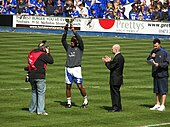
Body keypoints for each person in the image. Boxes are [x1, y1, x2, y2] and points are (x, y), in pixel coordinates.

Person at [61, 24, 88, 108]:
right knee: (68, 86)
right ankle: (69, 102)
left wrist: (74, 31)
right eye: (71, 41)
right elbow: (63, 41)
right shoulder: (68, 48)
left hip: (76, 69)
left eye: (73, 42)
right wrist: (65, 31)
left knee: (79, 86)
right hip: (68, 68)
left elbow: (80, 40)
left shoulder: (80, 48)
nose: (71, 43)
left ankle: (85, 100)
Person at [25, 40, 54, 115]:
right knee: (41, 93)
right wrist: (48, 53)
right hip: (40, 76)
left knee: (34, 92)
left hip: (31, 75)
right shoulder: (43, 55)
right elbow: (51, 61)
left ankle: (32, 109)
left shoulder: (32, 53)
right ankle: (40, 110)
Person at [147, 38, 169, 111]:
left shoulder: (165, 52)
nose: (155, 48)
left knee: (163, 90)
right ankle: (157, 103)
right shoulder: (153, 51)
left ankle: (162, 105)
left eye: (156, 46)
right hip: (155, 73)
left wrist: (159, 65)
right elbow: (148, 59)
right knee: (156, 90)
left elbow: (166, 63)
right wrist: (151, 57)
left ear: (159, 44)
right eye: (154, 46)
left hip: (163, 74)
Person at [102, 44, 125, 112]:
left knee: (114, 93)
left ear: (116, 49)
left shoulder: (117, 57)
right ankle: (118, 107)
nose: (112, 50)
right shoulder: (120, 57)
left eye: (112, 49)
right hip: (118, 78)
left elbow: (111, 67)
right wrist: (110, 61)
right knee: (117, 93)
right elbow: (115, 64)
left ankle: (115, 107)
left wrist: (106, 62)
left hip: (115, 78)